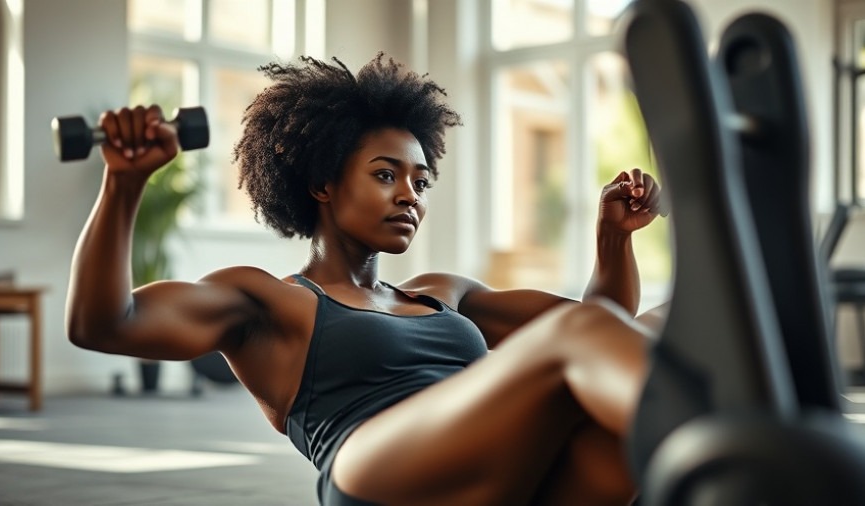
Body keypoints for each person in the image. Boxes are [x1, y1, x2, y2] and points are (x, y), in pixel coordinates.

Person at [66, 53, 666, 506]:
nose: (410, 195)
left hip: (493, 469)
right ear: (323, 182)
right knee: (596, 339)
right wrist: (124, 184)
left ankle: (719, 451)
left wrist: (613, 237)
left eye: (421, 182)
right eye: (386, 175)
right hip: (376, 470)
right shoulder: (271, 300)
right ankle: (735, 437)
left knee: (658, 327)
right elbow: (103, 323)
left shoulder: (442, 292)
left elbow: (606, 328)